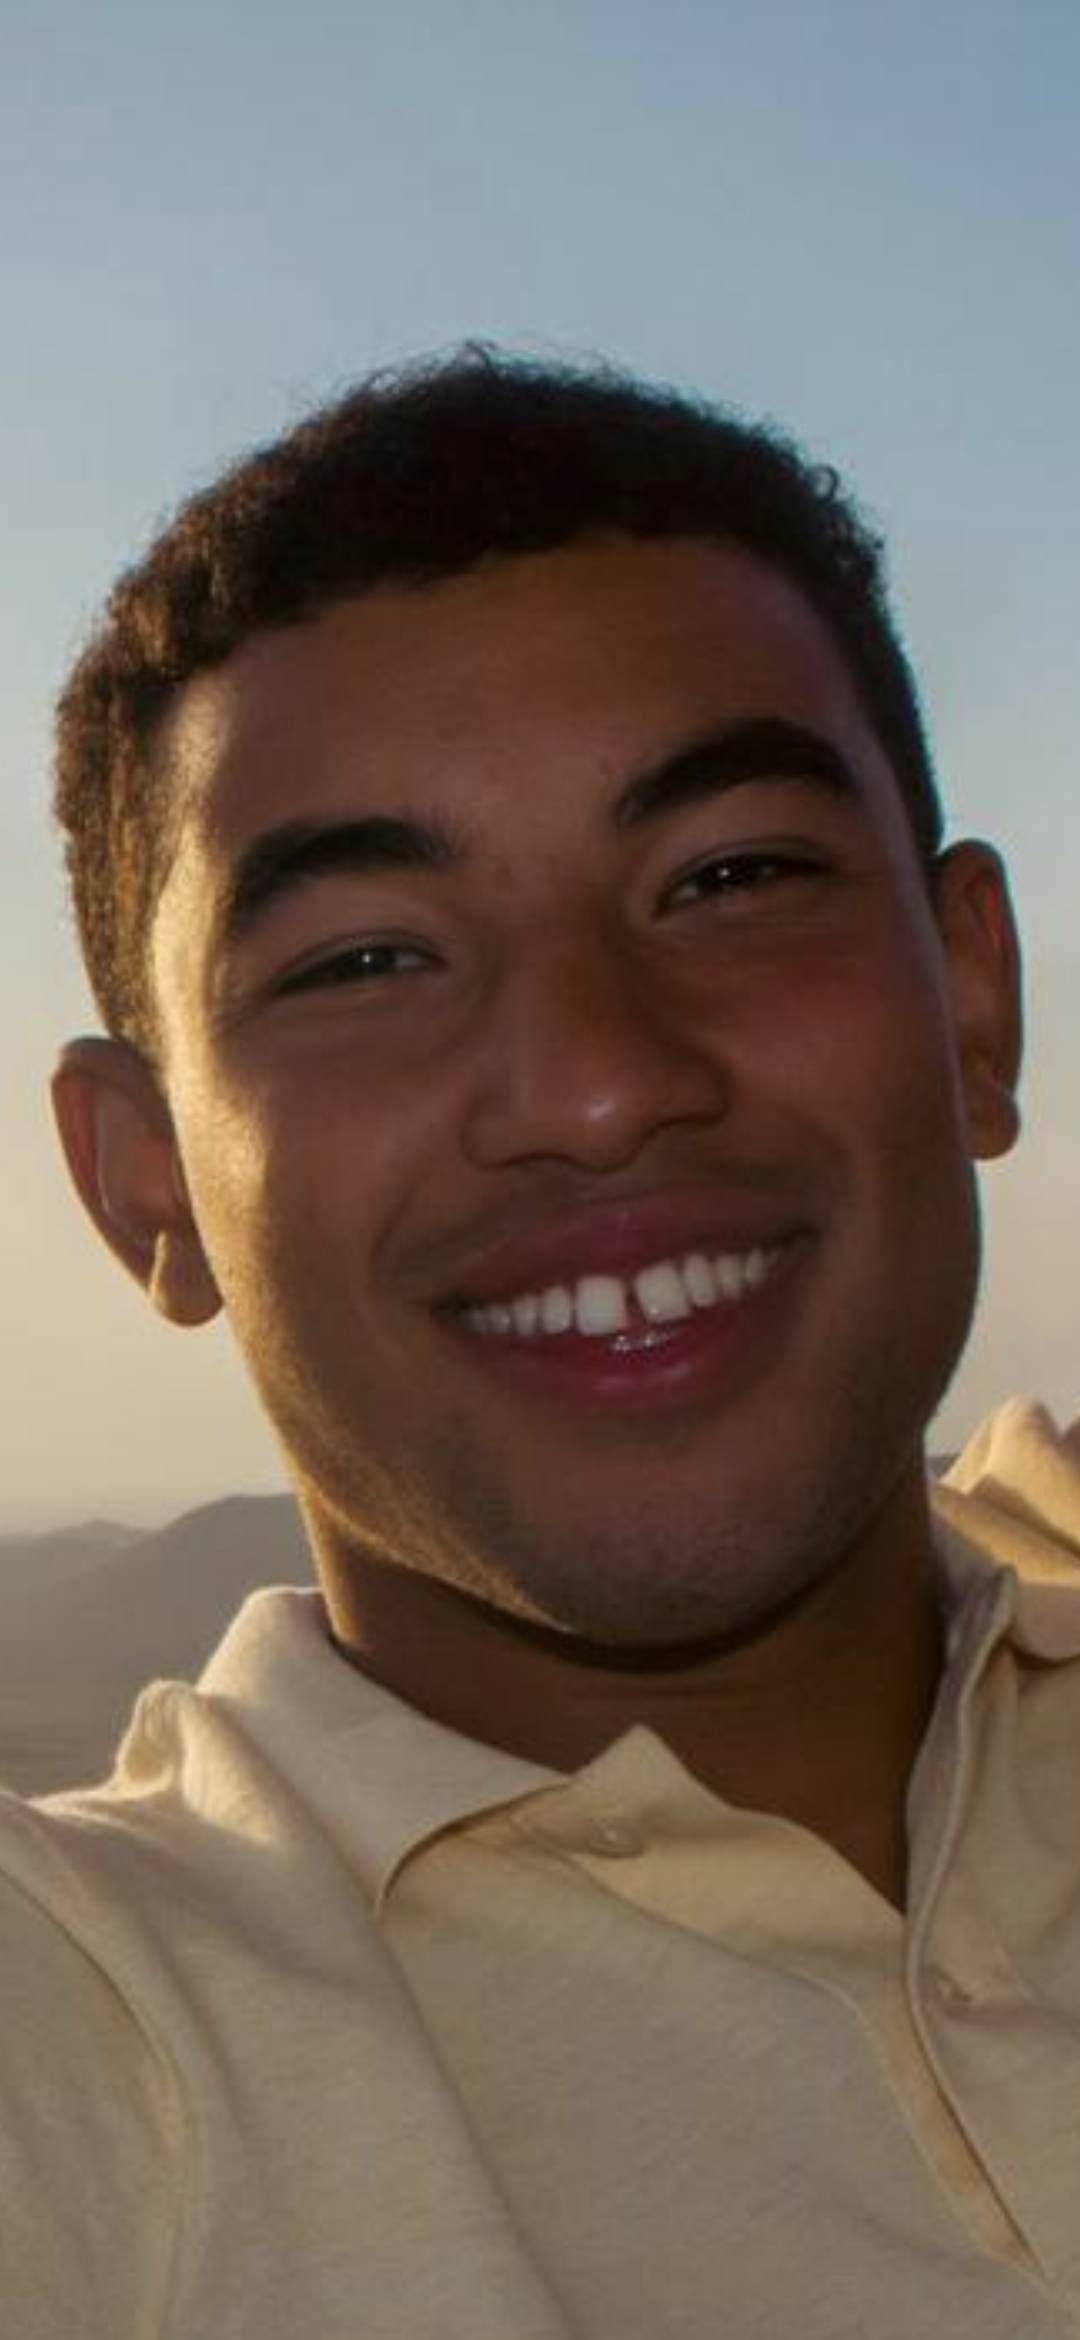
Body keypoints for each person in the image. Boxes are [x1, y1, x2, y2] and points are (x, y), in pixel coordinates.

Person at [2, 348, 1078, 2339]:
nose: (594, 1082)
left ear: (974, 1003)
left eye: (731, 878)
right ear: (147, 1182)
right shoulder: (88, 2030)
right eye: (363, 960)